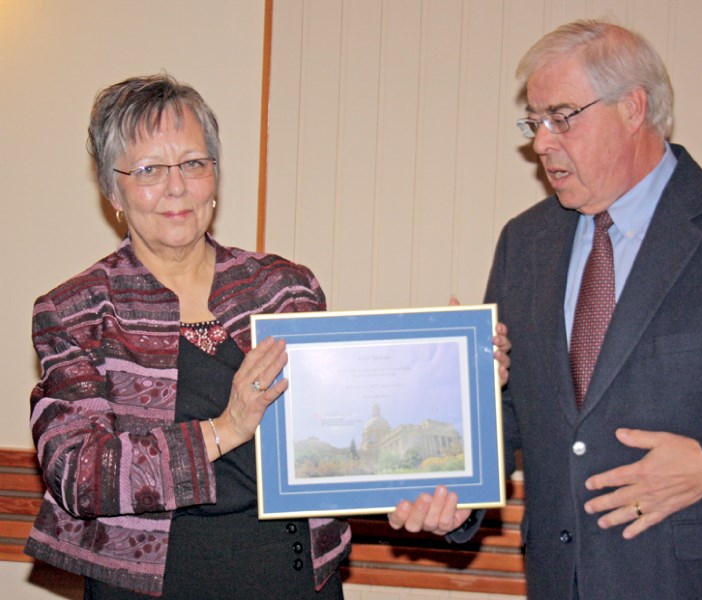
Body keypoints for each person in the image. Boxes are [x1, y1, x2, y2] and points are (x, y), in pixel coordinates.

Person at [26, 73, 512, 599]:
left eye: (193, 163)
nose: (176, 187)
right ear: (111, 188)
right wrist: (226, 428)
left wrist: (455, 376)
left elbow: (339, 441)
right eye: (149, 170)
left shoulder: (284, 287)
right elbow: (78, 474)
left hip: (299, 580)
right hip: (157, 590)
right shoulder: (78, 311)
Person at [389, 19, 702, 600]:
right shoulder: (525, 242)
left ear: (633, 107)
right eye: (534, 121)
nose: (541, 141)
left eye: (561, 117)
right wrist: (454, 495)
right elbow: (511, 409)